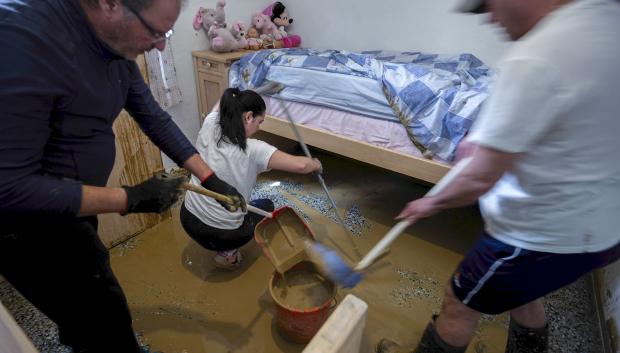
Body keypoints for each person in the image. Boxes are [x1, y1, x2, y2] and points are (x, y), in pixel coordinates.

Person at [0, 0, 244, 352]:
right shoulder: (23, 40)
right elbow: (9, 187)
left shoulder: (113, 45)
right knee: (104, 317)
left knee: (87, 310)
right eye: (155, 32)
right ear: (109, 3)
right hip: (27, 226)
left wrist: (209, 178)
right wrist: (128, 199)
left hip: (74, 205)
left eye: (167, 33)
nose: (161, 45)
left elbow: (152, 115)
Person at [377, 0, 620, 352]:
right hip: (601, 230)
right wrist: (487, 145)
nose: (490, 18)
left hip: (536, 235)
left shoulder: (539, 54)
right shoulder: (605, 19)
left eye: (490, 4)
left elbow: (478, 180)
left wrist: (430, 202)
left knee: (459, 303)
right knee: (522, 291)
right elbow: (562, 128)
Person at [181, 88, 323, 270]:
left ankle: (220, 244)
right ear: (248, 117)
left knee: (247, 204)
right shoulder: (254, 150)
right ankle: (227, 254)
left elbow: (221, 100)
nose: (259, 127)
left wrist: (250, 87)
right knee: (267, 205)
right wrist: (316, 164)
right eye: (260, 121)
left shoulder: (210, 125)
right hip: (220, 235)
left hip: (187, 216)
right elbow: (301, 165)